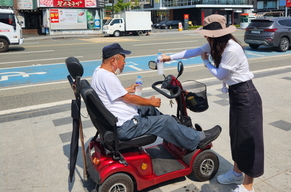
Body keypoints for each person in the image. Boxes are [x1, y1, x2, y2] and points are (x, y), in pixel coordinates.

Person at [161, 14, 264, 192]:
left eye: (208, 33)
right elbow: (193, 51)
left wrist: (205, 62)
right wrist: (168, 58)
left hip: (247, 95)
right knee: (237, 136)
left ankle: (248, 186)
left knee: (248, 139)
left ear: (217, 34)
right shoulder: (216, 44)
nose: (205, 36)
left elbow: (220, 75)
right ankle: (236, 172)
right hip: (237, 94)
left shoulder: (232, 49)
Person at [91, 42, 221, 151]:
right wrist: (150, 102)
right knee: (165, 121)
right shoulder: (108, 77)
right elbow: (129, 98)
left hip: (119, 121)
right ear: (113, 60)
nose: (124, 64)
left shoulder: (99, 72)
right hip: (126, 127)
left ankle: (178, 134)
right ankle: (197, 139)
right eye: (123, 60)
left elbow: (108, 93)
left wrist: (127, 89)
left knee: (151, 111)